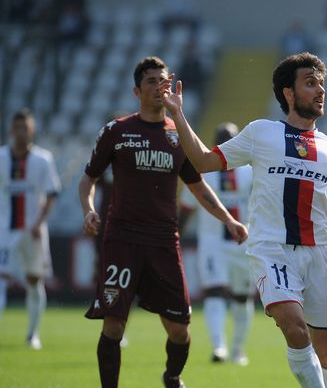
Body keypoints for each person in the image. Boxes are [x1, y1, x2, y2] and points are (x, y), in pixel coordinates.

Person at [159, 52, 327, 388]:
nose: (320, 90)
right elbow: (203, 160)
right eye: (310, 83)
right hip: (272, 248)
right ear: (288, 92)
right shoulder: (261, 133)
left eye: (322, 84)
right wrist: (179, 115)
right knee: (294, 326)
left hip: (321, 252)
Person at [78, 56, 248, 388]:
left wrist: (229, 220)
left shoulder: (178, 136)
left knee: (180, 331)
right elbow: (88, 179)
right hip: (122, 239)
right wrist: (88, 209)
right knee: (113, 325)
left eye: (164, 80)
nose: (160, 87)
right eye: (152, 81)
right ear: (137, 90)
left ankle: (172, 377)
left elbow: (199, 188)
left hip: (163, 241)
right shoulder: (116, 131)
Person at [178, 122, 255, 365]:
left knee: (242, 297)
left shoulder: (250, 171)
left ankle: (238, 349)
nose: (225, 143)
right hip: (212, 242)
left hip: (244, 242)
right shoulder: (202, 172)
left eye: (229, 139)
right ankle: (219, 347)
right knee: (214, 292)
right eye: (222, 139)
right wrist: (175, 234)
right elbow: (186, 209)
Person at [0, 109, 61, 350]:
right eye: (18, 127)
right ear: (11, 130)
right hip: (5, 229)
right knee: (1, 277)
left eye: (26, 127)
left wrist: (39, 223)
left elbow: (51, 194)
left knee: (35, 280)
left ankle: (32, 334)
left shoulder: (43, 159)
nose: (22, 132)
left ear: (32, 129)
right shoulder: (1, 157)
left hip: (34, 229)